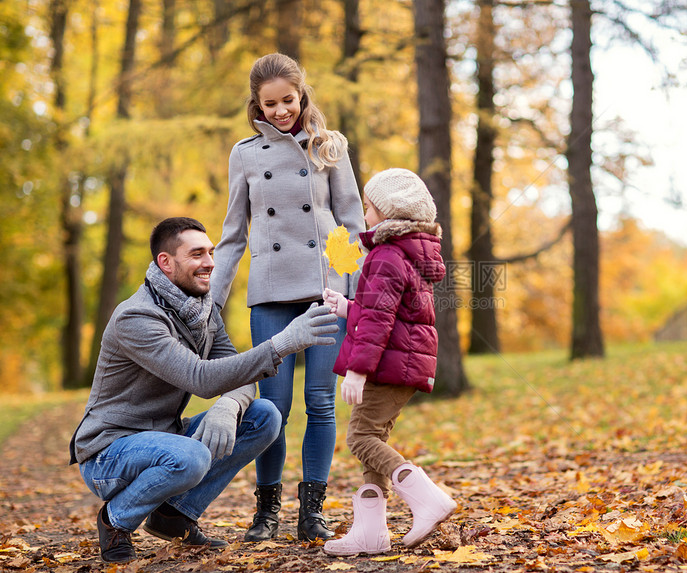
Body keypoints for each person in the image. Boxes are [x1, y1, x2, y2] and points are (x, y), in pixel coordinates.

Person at [69, 217, 339, 564]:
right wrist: (282, 344)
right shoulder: (136, 317)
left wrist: (229, 407)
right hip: (110, 451)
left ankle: (174, 516)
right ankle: (116, 520)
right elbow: (200, 377)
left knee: (264, 416)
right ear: (166, 263)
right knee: (191, 457)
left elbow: (236, 375)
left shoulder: (201, 310)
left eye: (210, 252)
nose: (210, 262)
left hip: (165, 437)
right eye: (196, 254)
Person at [210, 52, 364, 543]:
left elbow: (353, 224)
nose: (280, 111)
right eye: (269, 103)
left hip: (324, 291)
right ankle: (267, 509)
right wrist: (212, 301)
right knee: (272, 408)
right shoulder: (245, 154)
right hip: (272, 293)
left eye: (288, 100)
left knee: (320, 401)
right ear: (256, 105)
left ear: (302, 97)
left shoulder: (329, 146)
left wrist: (349, 292)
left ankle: (312, 509)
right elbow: (233, 235)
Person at [321, 168, 457, 556]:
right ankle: (370, 532)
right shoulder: (408, 254)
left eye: (369, 207)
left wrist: (357, 370)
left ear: (389, 211)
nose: (364, 215)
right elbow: (389, 311)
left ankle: (428, 498)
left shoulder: (385, 255)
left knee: (360, 438)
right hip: (404, 361)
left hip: (384, 365)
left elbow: (380, 322)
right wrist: (348, 307)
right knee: (374, 437)